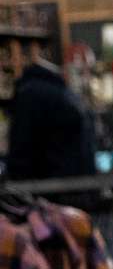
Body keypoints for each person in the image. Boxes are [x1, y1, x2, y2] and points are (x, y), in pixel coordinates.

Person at [6, 40, 96, 180]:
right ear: (73, 62)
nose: (87, 76)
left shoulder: (53, 92)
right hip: (56, 188)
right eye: (84, 69)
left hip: (59, 186)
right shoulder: (46, 94)